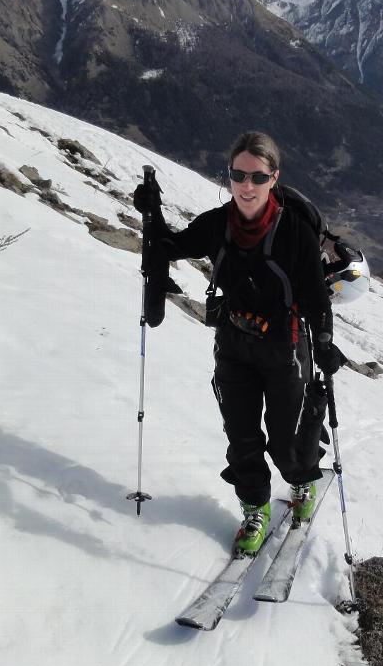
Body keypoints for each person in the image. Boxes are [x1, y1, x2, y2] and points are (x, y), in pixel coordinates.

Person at [138, 131, 345, 555]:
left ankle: (303, 480)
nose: (246, 186)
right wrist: (151, 213)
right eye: (238, 175)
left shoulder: (295, 234)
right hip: (233, 345)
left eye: (257, 177)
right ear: (229, 177)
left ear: (274, 178)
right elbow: (170, 247)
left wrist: (323, 340)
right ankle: (255, 507)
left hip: (284, 348)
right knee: (242, 436)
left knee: (286, 441)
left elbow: (315, 296)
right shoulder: (217, 224)